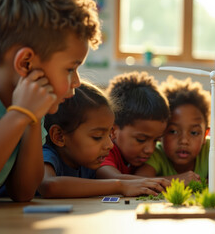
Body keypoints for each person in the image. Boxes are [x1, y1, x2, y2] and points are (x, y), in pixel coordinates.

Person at [0, 0, 101, 202]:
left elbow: (23, 191)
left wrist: (31, 119)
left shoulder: (30, 107)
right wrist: (18, 115)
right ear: (26, 63)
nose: (77, 82)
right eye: (70, 68)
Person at [39, 82, 168, 198]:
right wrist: (120, 186)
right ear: (59, 136)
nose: (110, 145)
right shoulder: (48, 155)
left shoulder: (87, 163)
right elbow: (49, 185)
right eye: (97, 137)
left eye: (109, 134)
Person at [136, 76, 215, 186]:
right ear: (161, 133)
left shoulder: (212, 150)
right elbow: (138, 180)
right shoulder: (156, 154)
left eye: (194, 133)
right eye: (173, 131)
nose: (184, 141)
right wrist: (177, 180)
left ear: (205, 135)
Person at [96, 72, 171, 180]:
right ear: (113, 130)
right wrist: (175, 181)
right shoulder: (104, 151)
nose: (150, 150)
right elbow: (115, 180)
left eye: (156, 140)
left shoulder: (146, 157)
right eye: (141, 139)